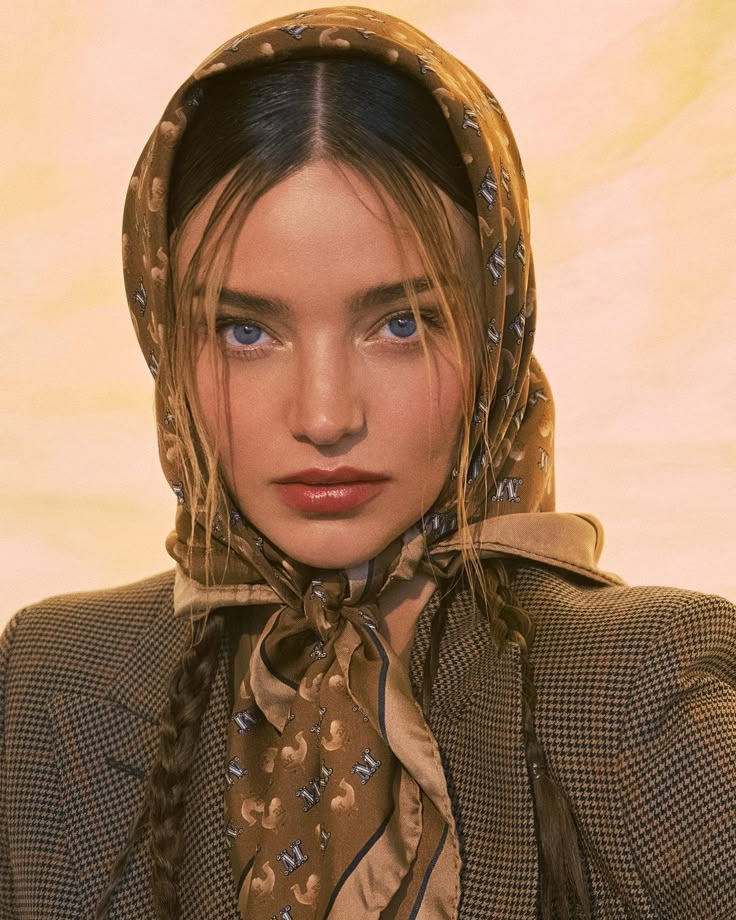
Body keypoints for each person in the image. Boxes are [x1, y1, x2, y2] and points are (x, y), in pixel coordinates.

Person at [1, 6, 734, 919]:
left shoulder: (646, 687)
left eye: (401, 324)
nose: (323, 415)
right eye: (245, 331)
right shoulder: (54, 677)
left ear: (496, 325)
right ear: (165, 339)